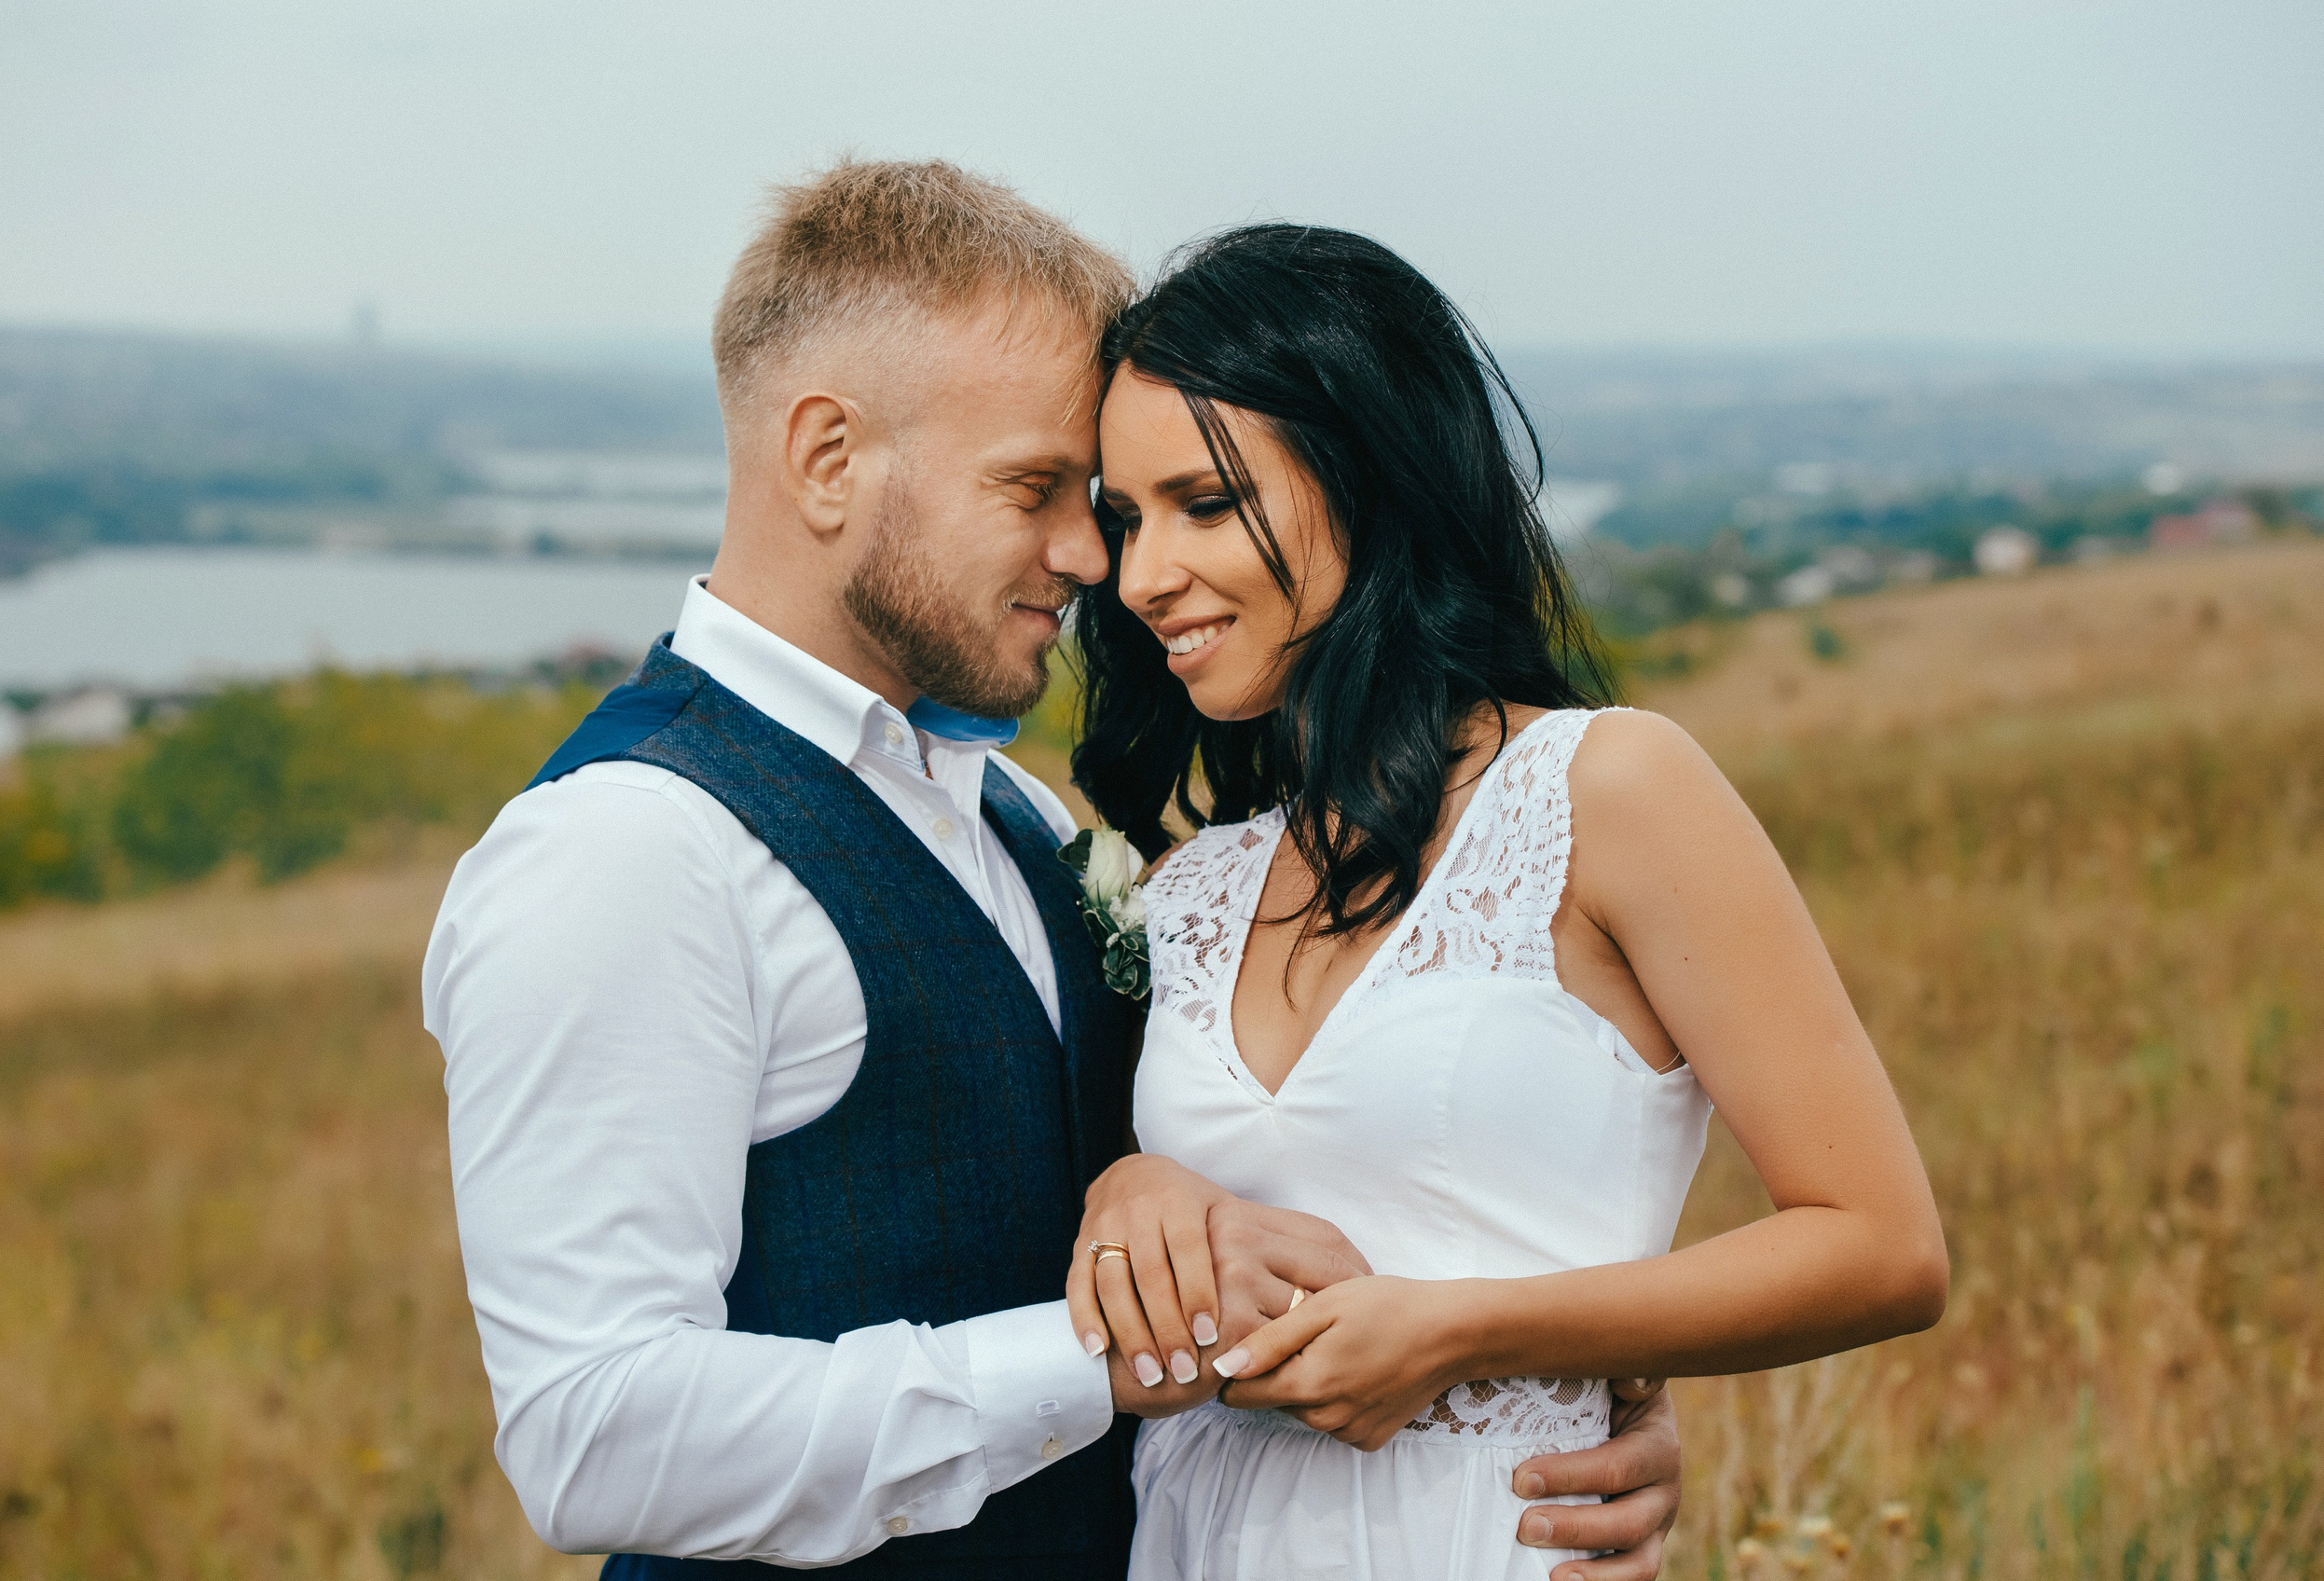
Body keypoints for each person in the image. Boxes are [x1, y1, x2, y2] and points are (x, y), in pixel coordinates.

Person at [425, 162, 1684, 1578]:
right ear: (827, 457)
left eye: (1100, 501)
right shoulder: (625, 854)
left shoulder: (1016, 817)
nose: (1096, 557)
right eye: (1034, 488)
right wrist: (1097, 1360)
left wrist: (1540, 1403)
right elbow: (593, 1435)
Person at [1067, 224, 1949, 1579]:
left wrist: (1463, 1333)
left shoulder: (1610, 789)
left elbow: (1879, 1249)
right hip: (1196, 1536)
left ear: (1369, 476)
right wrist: (1129, 1189)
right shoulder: (1190, 887)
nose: (1142, 578)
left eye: (1204, 503)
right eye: (1124, 520)